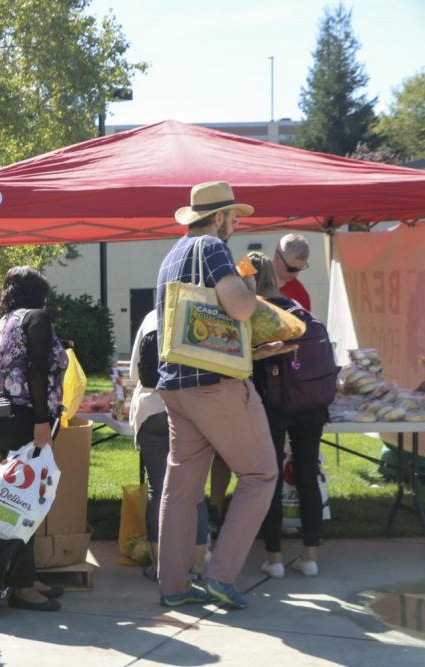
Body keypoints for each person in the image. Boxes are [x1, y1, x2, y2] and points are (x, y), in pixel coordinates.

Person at [154, 181, 287, 610]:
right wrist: (250, 289)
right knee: (262, 473)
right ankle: (221, 576)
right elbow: (241, 309)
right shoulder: (212, 247)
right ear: (217, 218)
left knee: (180, 491)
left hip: (175, 386)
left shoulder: (170, 256)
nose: (237, 223)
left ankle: (173, 587)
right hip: (216, 384)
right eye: (234, 216)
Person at [0, 266, 68, 612]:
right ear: (39, 295)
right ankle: (21, 586)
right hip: (27, 418)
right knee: (27, 501)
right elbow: (36, 369)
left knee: (19, 499)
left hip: (1, 416)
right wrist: (40, 421)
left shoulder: (1, 325)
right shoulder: (37, 318)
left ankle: (26, 575)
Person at [247, 251, 327, 578]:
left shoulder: (258, 316)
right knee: (307, 475)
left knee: (271, 478)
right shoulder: (301, 312)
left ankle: (275, 558)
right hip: (311, 404)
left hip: (275, 406)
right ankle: (310, 557)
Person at [128, 309, 208, 583]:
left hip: (152, 409)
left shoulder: (151, 316)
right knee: (194, 490)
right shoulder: (202, 313)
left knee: (158, 489)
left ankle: (159, 566)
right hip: (193, 409)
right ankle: (196, 566)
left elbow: (135, 372)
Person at [273, 234, 312, 311]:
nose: (296, 275)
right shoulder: (252, 275)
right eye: (291, 269)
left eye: (300, 269)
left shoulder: (301, 295)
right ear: (277, 256)